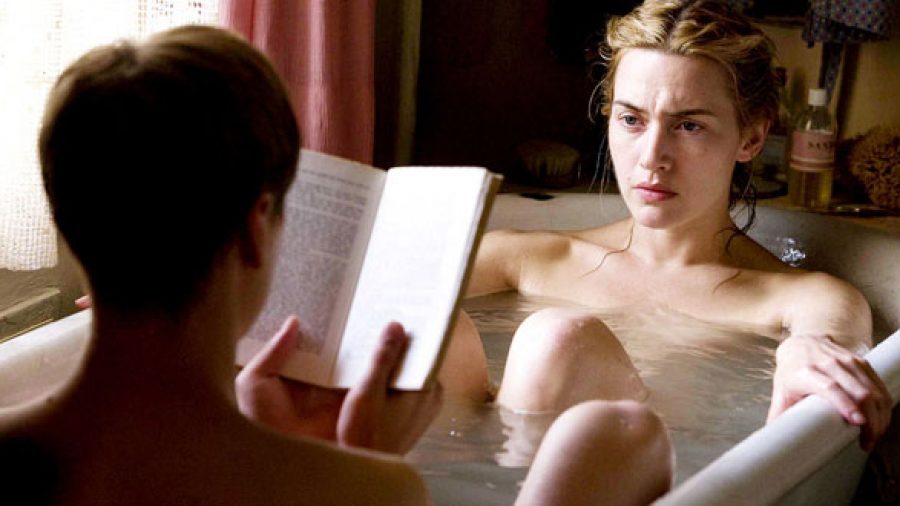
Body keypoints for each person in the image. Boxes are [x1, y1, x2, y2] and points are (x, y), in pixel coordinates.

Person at [0, 25, 672, 505]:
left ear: (67, 224)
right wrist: (359, 464)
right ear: (257, 231)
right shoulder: (357, 487)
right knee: (616, 435)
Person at [463, 0, 892, 453]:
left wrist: (807, 350)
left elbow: (829, 336)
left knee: (555, 339)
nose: (652, 157)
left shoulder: (803, 300)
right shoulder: (516, 260)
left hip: (665, 477)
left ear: (751, 137)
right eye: (631, 120)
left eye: (688, 126)